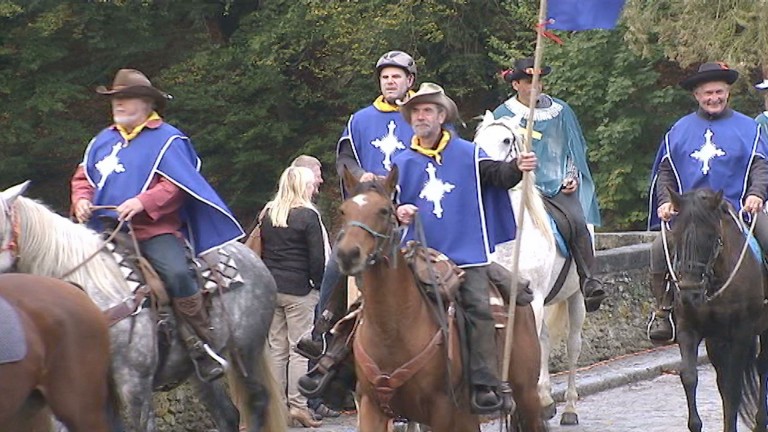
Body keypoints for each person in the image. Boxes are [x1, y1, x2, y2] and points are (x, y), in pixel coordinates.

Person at [71, 68, 244, 382]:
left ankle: (201, 343)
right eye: (115, 99)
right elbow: (83, 177)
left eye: (126, 98)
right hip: (102, 230)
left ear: (148, 104)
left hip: (153, 231)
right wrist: (81, 200)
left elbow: (176, 185)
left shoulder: (168, 139)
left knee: (176, 272)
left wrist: (142, 202)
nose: (118, 105)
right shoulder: (102, 140)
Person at [393, 82, 537, 413]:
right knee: (378, 304)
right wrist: (399, 210)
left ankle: (484, 383)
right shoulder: (402, 161)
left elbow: (498, 176)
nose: (421, 116)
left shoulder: (469, 154)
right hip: (417, 254)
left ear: (442, 115)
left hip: (464, 255)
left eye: (427, 110)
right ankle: (347, 371)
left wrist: (517, 167)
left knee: (477, 309)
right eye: (415, 111)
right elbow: (387, 203)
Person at [299, 50, 418, 356]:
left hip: (413, 210)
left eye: (396, 77)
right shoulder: (360, 120)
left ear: (410, 80)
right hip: (370, 213)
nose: (390, 82)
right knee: (339, 258)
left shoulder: (422, 115)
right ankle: (321, 328)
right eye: (385, 77)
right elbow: (345, 159)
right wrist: (361, 174)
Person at [647, 62, 768, 342]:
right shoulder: (678, 130)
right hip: (691, 216)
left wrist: (757, 193)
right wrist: (665, 200)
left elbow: (761, 165)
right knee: (657, 248)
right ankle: (662, 312)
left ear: (728, 93)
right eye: (707, 93)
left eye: (719, 92)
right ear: (697, 96)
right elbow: (665, 170)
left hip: (738, 210)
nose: (714, 98)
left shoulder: (749, 129)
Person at [491, 57, 606, 312]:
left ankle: (589, 279)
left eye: (538, 81)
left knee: (576, 220)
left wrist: (571, 176)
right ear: (516, 85)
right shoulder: (502, 114)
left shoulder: (561, 111)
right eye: (527, 82)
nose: (534, 86)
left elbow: (574, 148)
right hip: (516, 184)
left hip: (554, 183)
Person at [261, 166, 327, 428]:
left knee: (277, 350)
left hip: (272, 288)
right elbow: (317, 258)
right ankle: (298, 407)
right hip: (300, 289)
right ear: (303, 186)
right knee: (299, 351)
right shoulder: (308, 216)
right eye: (311, 185)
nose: (314, 189)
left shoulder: (269, 213)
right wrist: (318, 285)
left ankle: (276, 408)